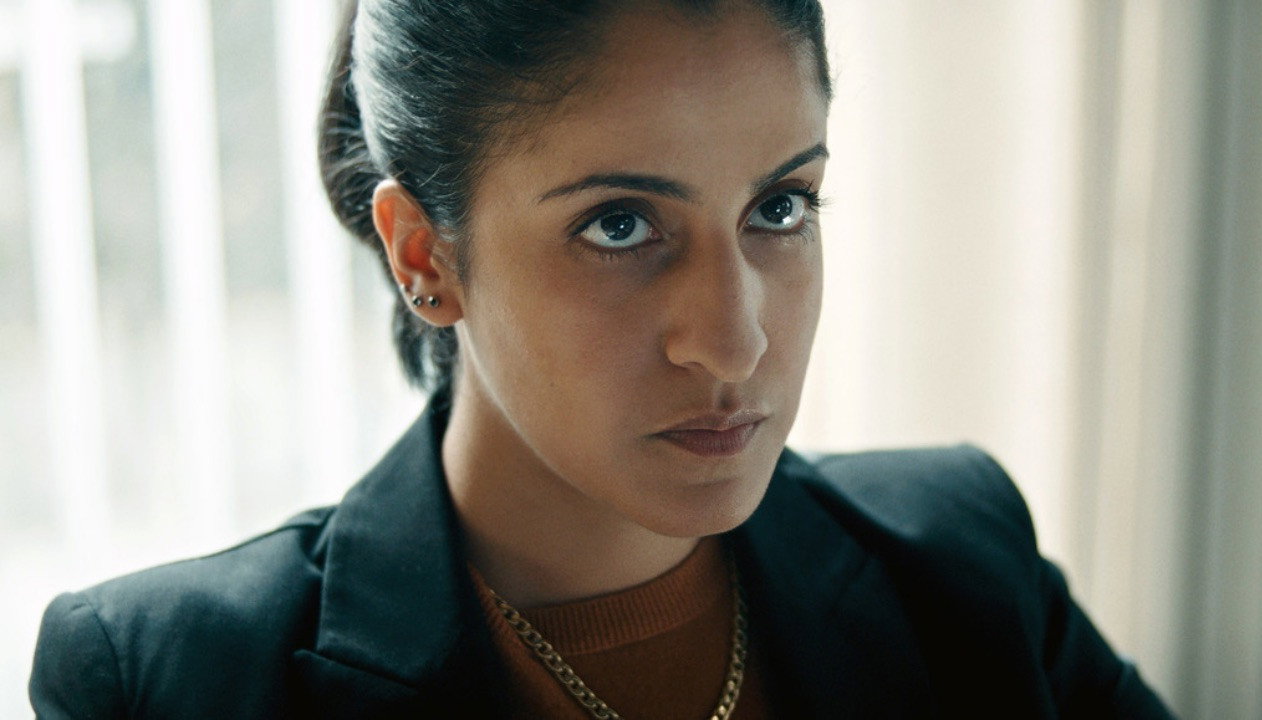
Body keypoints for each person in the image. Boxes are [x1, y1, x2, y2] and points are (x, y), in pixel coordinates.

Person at [29, 0, 1176, 718]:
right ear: (424, 254)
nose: (734, 338)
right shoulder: (172, 683)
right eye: (619, 225)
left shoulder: (960, 566)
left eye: (779, 206)